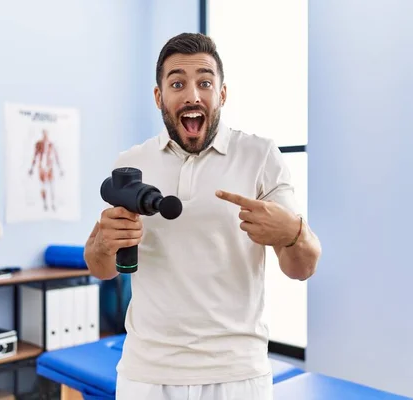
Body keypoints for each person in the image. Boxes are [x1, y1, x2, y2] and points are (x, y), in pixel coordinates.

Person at [84, 32, 322, 400]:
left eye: (205, 82)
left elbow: (301, 268)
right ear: (159, 96)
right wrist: (103, 242)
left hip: (237, 374)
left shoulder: (261, 156)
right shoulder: (131, 164)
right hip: (146, 374)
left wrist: (293, 232)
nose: (193, 95)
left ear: (222, 94)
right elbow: (101, 268)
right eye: (177, 83)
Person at [28, 129, 63, 211]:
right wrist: (31, 169)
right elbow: (35, 156)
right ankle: (45, 204)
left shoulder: (51, 145)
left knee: (51, 186)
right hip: (42, 168)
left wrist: (60, 169)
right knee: (43, 187)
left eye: (46, 134)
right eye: (44, 134)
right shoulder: (38, 145)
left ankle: (53, 203)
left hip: (49, 167)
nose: (45, 136)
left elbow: (56, 157)